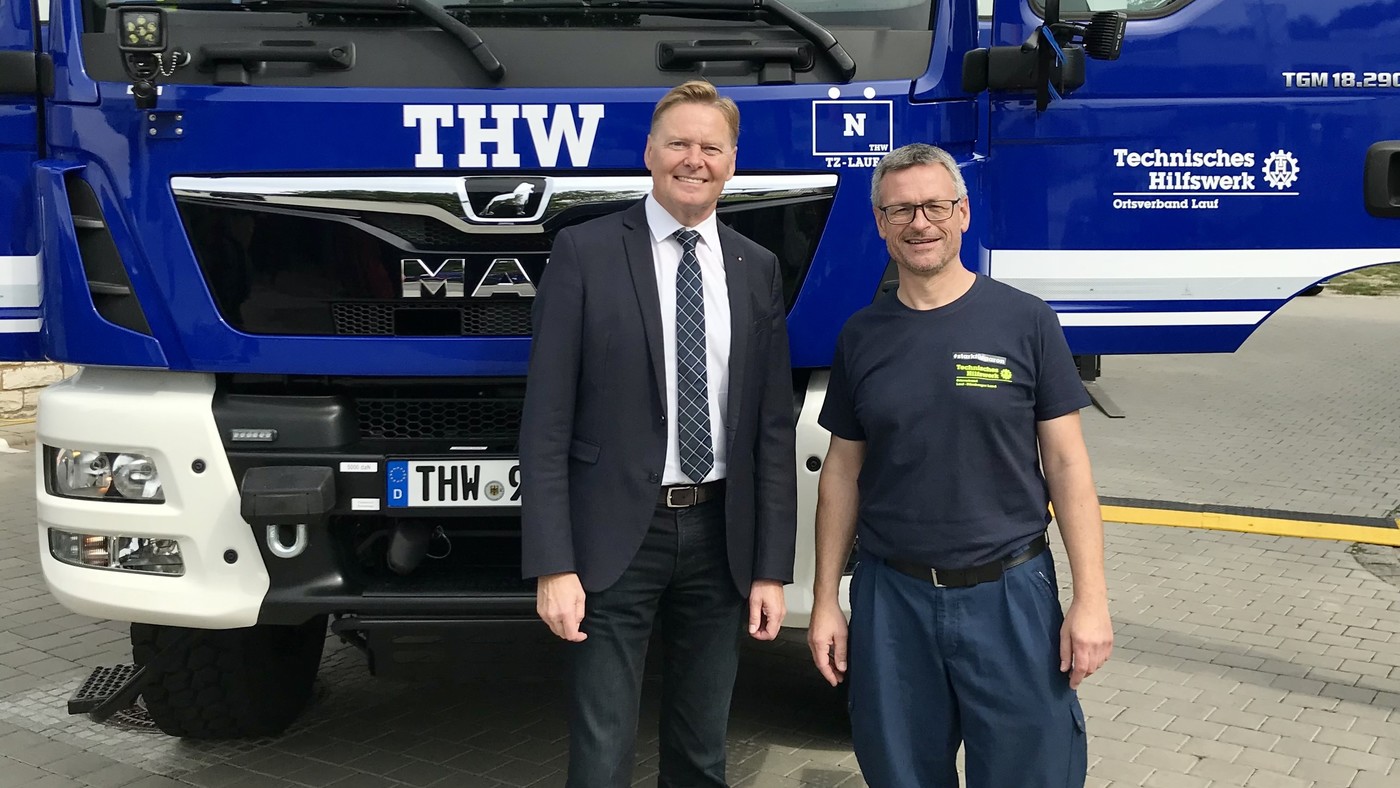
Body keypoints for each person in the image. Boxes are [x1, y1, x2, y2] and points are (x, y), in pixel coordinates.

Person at [805, 143, 1113, 788]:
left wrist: (1092, 601)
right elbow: (841, 473)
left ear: (963, 214)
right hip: (893, 599)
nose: (921, 223)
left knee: (1034, 771)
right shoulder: (861, 337)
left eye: (935, 206)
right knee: (900, 772)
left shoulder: (1026, 322)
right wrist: (826, 600)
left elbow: (1067, 466)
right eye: (901, 211)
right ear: (882, 225)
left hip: (1010, 594)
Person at [520, 80, 797, 787]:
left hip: (720, 538)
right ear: (649, 153)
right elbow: (546, 421)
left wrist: (771, 568)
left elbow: (769, 430)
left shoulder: (757, 268)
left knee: (703, 753)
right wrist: (553, 564)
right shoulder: (583, 253)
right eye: (679, 143)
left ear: (733, 161)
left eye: (711, 146)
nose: (694, 159)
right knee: (602, 754)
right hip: (615, 537)